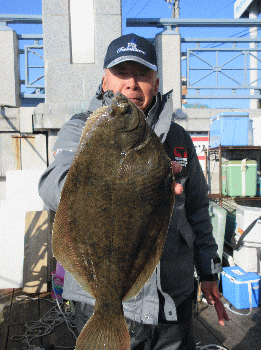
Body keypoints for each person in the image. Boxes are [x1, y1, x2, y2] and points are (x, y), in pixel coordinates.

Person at [39, 33, 229, 349]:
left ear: (156, 82)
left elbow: (198, 208)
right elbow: (51, 185)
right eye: (121, 73)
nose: (131, 84)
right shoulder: (80, 128)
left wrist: (209, 271)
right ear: (104, 81)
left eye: (142, 74)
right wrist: (130, 186)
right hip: (96, 297)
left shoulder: (178, 138)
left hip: (172, 298)